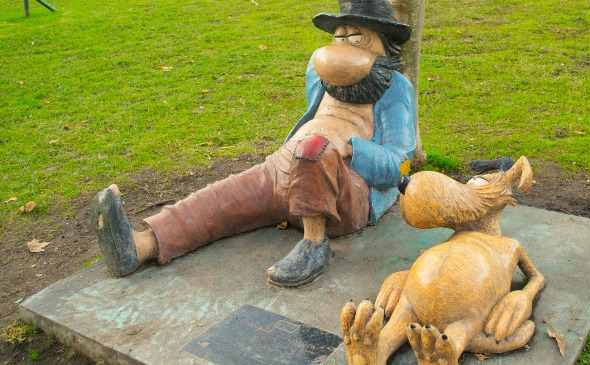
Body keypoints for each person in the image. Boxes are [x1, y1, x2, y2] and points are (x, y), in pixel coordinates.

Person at [91, 0, 416, 287]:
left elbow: (400, 163)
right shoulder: (320, 74)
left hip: (342, 193)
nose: (343, 47)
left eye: (356, 38)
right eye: (339, 37)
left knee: (313, 149)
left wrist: (353, 149)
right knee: (221, 198)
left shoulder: (395, 88)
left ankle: (314, 242)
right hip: (284, 169)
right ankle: (140, 246)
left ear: (383, 45)